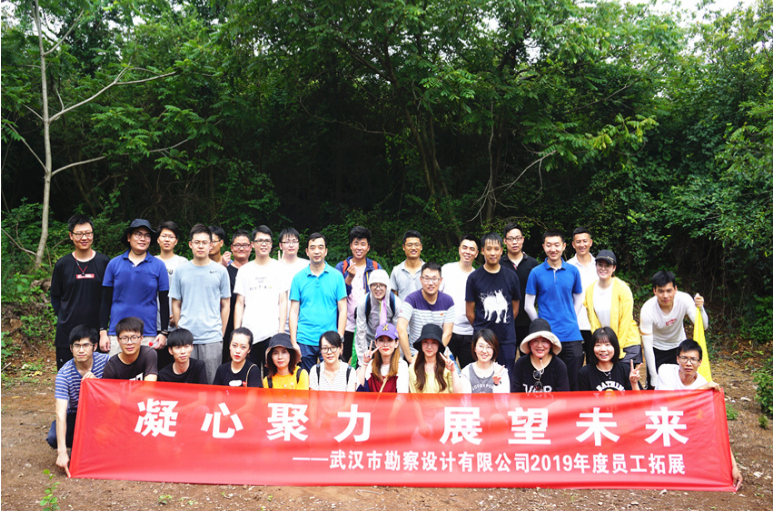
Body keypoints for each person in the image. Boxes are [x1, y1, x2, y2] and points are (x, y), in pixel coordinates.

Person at [655, 339, 742, 491]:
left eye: (693, 359)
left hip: (683, 430)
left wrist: (733, 466)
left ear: (700, 362)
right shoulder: (665, 371)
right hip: (658, 425)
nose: (688, 363)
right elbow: (670, 404)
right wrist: (701, 390)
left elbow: (717, 426)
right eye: (684, 358)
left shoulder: (702, 383)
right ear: (677, 359)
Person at [170, 224, 231, 383]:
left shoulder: (221, 271)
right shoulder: (181, 270)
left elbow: (226, 304)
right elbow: (175, 303)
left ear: (211, 245)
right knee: (186, 385)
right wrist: (180, 329)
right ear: (190, 244)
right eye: (197, 242)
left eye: (205, 242)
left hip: (212, 338)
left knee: (210, 384)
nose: (201, 246)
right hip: (186, 338)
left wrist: (221, 333)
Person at [524, 230, 584, 390]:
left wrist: (571, 317)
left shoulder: (573, 271)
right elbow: (528, 305)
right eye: (549, 245)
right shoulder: (536, 273)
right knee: (549, 380)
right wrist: (541, 326)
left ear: (564, 246)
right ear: (543, 246)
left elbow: (579, 298)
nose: (553, 249)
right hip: (547, 338)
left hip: (571, 334)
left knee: (573, 381)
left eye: (557, 245)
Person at [100, 219, 169, 356]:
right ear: (128, 237)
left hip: (147, 333)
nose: (143, 239)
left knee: (146, 369)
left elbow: (164, 301)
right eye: (138, 234)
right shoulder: (114, 264)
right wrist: (103, 332)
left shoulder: (159, 265)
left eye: (147, 235)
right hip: (117, 334)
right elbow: (105, 300)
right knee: (116, 369)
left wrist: (164, 332)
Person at [50, 214, 110, 369]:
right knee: (68, 376)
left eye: (88, 233)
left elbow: (108, 297)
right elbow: (55, 296)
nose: (84, 238)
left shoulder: (104, 262)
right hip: (67, 332)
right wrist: (65, 316)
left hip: (96, 331)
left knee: (97, 378)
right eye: (79, 234)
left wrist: (104, 328)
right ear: (71, 236)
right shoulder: (62, 264)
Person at [47, 325, 109, 476]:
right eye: (77, 346)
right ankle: (80, 445)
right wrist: (62, 452)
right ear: (71, 348)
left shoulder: (107, 362)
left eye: (86, 345)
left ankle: (92, 444)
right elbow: (61, 413)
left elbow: (120, 391)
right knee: (53, 437)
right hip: (77, 415)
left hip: (104, 414)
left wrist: (99, 384)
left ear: (95, 347)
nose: (81, 350)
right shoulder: (64, 374)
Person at [233, 225, 288, 377]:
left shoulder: (280, 269)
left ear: (271, 244)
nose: (263, 244)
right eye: (260, 241)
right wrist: (237, 332)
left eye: (267, 241)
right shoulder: (244, 270)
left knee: (272, 375)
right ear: (252, 244)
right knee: (250, 375)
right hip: (249, 332)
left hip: (272, 332)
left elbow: (283, 301)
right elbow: (239, 302)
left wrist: (281, 331)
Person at [289, 233, 347, 372]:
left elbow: (343, 309)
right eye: (312, 247)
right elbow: (293, 311)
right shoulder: (298, 278)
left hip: (330, 339)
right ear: (307, 251)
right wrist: (293, 342)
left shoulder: (337, 277)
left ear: (326, 251)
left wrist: (340, 339)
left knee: (330, 378)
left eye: (320, 247)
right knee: (305, 379)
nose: (316, 251)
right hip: (304, 338)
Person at [640, 270, 708, 389]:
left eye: (669, 291)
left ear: (675, 289)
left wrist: (701, 308)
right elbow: (647, 347)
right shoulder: (647, 309)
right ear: (654, 291)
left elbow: (703, 326)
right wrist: (653, 377)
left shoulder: (684, 299)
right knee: (654, 387)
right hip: (657, 348)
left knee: (680, 382)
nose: (665, 296)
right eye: (661, 291)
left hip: (678, 346)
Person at [465, 232, 521, 369]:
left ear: (501, 250)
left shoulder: (511, 276)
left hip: (506, 338)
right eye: (489, 249)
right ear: (482, 251)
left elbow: (514, 308)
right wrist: (481, 329)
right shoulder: (474, 278)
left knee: (506, 374)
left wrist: (504, 321)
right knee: (482, 375)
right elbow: (470, 313)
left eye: (496, 249)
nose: (492, 253)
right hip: (482, 339)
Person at [583, 250, 642, 365]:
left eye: (607, 265)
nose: (603, 268)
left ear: (614, 268)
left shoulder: (623, 289)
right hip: (606, 347)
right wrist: (602, 346)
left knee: (625, 376)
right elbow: (594, 323)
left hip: (627, 344)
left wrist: (616, 348)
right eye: (600, 265)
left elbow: (625, 321)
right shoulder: (590, 290)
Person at [336, 226, 381, 363]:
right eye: (356, 243)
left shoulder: (375, 268)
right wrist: (349, 278)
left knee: (368, 363)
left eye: (363, 244)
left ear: (368, 247)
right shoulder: (341, 267)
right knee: (343, 363)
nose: (359, 247)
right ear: (351, 246)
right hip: (347, 326)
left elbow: (381, 295)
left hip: (368, 327)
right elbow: (337, 295)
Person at [397, 262, 455, 364]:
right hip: (416, 353)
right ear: (421, 279)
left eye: (434, 279)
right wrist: (409, 358)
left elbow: (448, 333)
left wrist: (436, 354)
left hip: (439, 352)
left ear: (440, 280)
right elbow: (401, 328)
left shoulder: (448, 301)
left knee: (456, 373)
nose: (430, 283)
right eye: (426, 278)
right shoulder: (411, 299)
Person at [440, 234, 479, 369]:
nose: (467, 252)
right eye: (465, 247)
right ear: (459, 250)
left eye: (472, 249)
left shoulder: (478, 276)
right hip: (447, 330)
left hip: (469, 333)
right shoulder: (446, 270)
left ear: (477, 253)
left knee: (469, 372)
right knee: (444, 372)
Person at [155, 220, 187, 370]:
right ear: (158, 239)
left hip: (175, 323)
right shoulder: (151, 261)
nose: (167, 240)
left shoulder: (183, 263)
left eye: (171, 237)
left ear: (176, 241)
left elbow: (187, 292)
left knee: (174, 365)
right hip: (153, 322)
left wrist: (178, 314)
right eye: (164, 236)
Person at [500, 223, 539, 345]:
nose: (514, 242)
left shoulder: (533, 265)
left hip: (528, 321)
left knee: (528, 355)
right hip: (504, 322)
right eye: (511, 239)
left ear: (522, 239)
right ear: (505, 241)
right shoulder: (498, 264)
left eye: (517, 238)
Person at [354, 269, 403, 366]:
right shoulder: (364, 302)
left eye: (381, 285)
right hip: (370, 343)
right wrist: (363, 361)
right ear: (369, 286)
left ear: (387, 286)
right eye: (374, 285)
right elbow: (361, 332)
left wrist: (398, 357)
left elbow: (398, 332)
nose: (378, 288)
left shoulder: (395, 303)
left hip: (389, 344)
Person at [511, 319, 570, 393]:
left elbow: (563, 397)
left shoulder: (559, 366)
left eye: (544, 341)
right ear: (529, 343)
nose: (539, 345)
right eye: (535, 340)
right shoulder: (521, 363)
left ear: (551, 344)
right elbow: (515, 394)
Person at [577, 327, 642, 392]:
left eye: (607, 344)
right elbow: (581, 397)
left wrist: (634, 383)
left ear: (615, 347)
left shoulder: (625, 370)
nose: (603, 349)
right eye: (598, 345)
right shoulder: (584, 373)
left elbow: (639, 398)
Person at [222, 229, 253, 363]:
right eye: (237, 245)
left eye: (245, 245)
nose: (241, 248)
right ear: (231, 248)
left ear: (251, 247)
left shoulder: (256, 271)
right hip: (229, 324)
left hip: (253, 322)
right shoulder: (224, 272)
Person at [356, 323, 409, 393]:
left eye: (389, 340)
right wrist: (364, 364)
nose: (385, 344)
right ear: (376, 343)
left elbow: (402, 396)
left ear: (396, 343)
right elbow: (360, 389)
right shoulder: (371, 364)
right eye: (381, 340)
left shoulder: (402, 365)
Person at [408, 324, 461, 393]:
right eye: (425, 342)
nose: (429, 346)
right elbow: (413, 396)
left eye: (434, 342)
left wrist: (453, 371)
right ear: (421, 344)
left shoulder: (447, 366)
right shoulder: (413, 367)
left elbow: (458, 394)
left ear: (439, 345)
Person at [567, 227, 597, 348]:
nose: (582, 245)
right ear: (573, 244)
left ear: (590, 242)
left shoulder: (599, 266)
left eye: (585, 241)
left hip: (596, 323)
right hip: (574, 324)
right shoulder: (567, 266)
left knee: (594, 358)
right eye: (578, 242)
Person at [277, 228, 310, 334]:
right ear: (280, 245)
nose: (291, 245)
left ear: (298, 244)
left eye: (294, 241)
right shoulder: (274, 266)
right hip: (279, 323)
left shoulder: (308, 266)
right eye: (287, 242)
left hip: (303, 323)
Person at [460, 329, 509, 394]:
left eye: (489, 347)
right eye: (481, 346)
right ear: (474, 348)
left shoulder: (501, 372)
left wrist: (496, 384)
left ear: (494, 349)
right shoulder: (466, 372)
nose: (484, 351)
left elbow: (504, 399)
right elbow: (465, 398)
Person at [390, 230, 425, 300]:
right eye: (409, 245)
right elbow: (393, 300)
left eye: (416, 245)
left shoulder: (429, 270)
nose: (413, 248)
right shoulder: (396, 271)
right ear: (403, 247)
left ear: (421, 247)